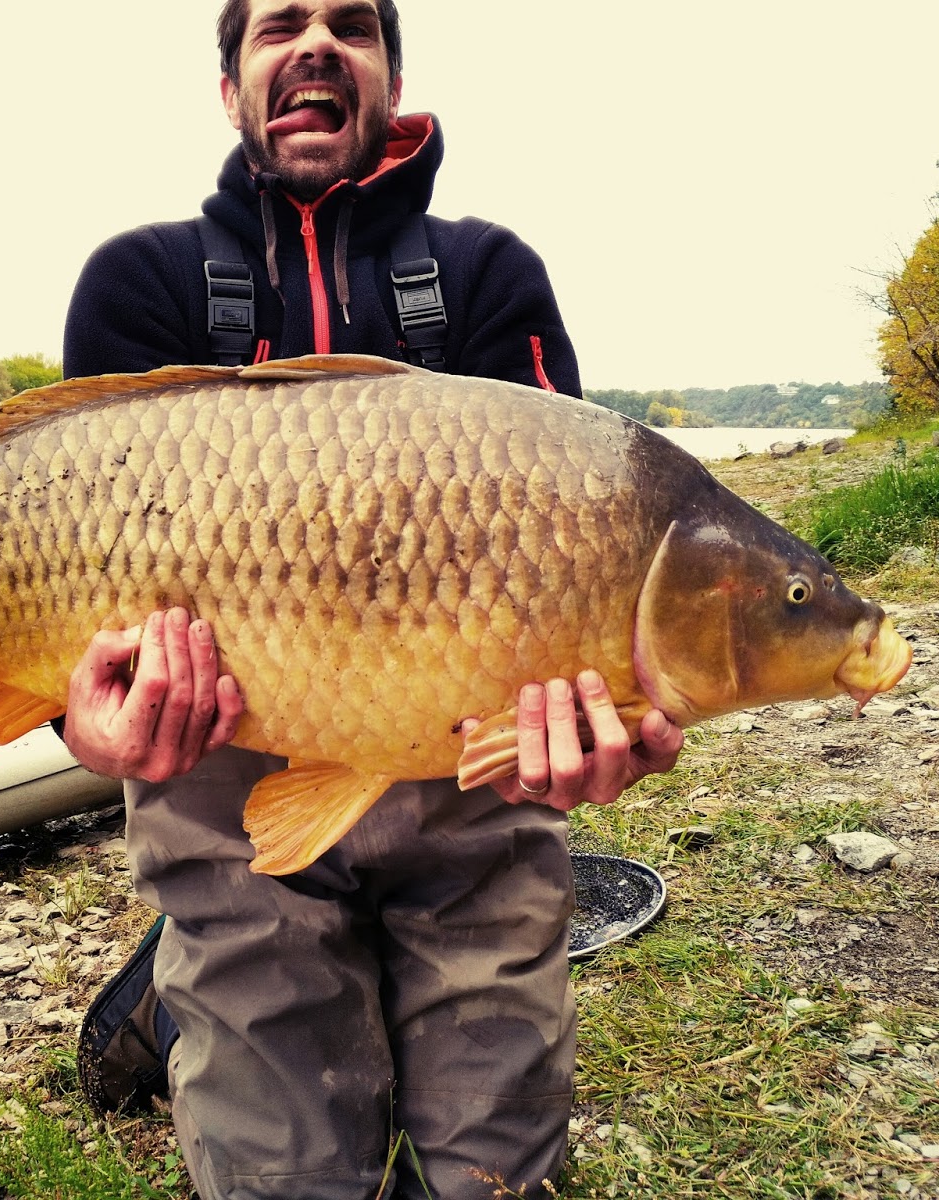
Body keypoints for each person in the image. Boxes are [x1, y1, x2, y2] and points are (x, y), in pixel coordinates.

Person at [59, 3, 684, 1196]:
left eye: (352, 25)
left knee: (494, 1174)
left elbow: (586, 546)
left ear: (390, 78)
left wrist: (594, 739)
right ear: (229, 87)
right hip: (227, 785)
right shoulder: (139, 282)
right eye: (278, 26)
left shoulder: (487, 275)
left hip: (468, 795)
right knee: (284, 1173)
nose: (316, 45)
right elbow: (66, 581)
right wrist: (84, 726)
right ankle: (188, 983)